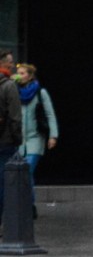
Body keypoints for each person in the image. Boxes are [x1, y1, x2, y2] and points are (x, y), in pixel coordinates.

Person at [15, 63, 59, 219]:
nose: (19, 75)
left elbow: (49, 114)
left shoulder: (41, 93)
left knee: (27, 170)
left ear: (30, 75)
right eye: (17, 73)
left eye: (22, 73)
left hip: (35, 139)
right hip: (20, 141)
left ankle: (27, 206)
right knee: (24, 174)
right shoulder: (15, 92)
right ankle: (30, 204)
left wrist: (53, 135)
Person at [0, 49, 24, 231]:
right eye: (10, 62)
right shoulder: (9, 86)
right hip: (5, 142)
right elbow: (15, 118)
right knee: (4, 184)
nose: (12, 64)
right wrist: (17, 140)